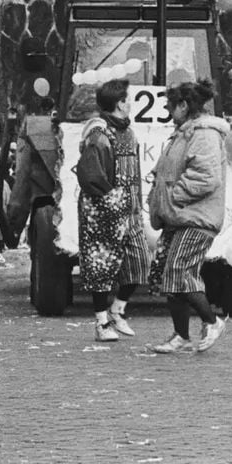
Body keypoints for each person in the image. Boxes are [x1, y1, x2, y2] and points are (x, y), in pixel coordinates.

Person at [147, 80, 230, 354]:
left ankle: (212, 320)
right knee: (169, 277)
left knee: (179, 272)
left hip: (196, 218)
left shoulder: (203, 134)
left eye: (171, 106)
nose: (169, 112)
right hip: (181, 216)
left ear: (183, 106)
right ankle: (181, 335)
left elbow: (206, 178)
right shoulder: (184, 133)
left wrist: (172, 196)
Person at [75, 78, 150, 341]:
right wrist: (112, 199)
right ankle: (101, 323)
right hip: (104, 212)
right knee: (101, 266)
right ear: (119, 103)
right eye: (128, 98)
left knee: (140, 262)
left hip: (130, 212)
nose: (131, 103)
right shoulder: (99, 135)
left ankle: (118, 310)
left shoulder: (128, 132)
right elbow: (91, 176)